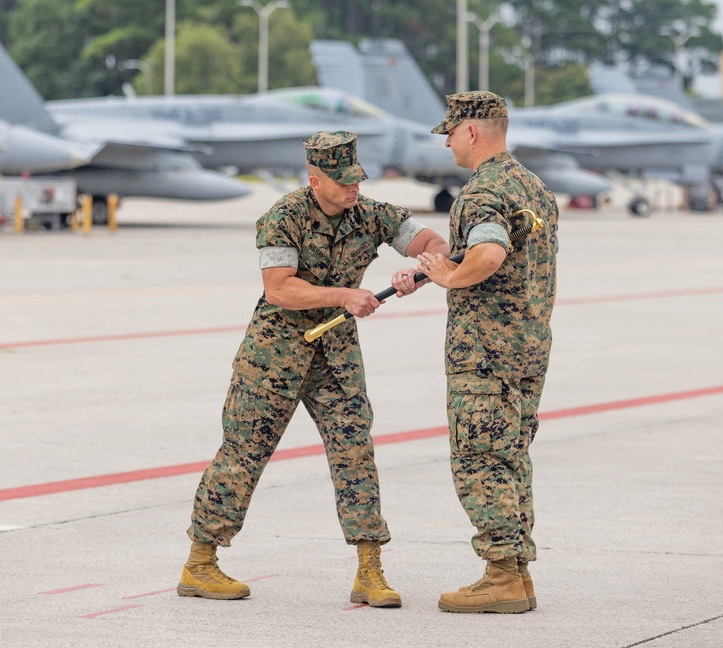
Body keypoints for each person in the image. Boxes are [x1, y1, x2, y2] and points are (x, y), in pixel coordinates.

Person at [179, 131, 451, 607]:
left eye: (357, 179)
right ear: (315, 179)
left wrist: (423, 268)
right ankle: (200, 563)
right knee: (243, 454)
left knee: (355, 453)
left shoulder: (370, 214)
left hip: (336, 359)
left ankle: (370, 571)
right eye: (343, 182)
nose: (354, 190)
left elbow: (428, 239)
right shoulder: (282, 218)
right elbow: (279, 289)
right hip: (273, 356)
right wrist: (343, 295)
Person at [393, 91, 559, 613]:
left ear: (471, 133)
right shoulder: (533, 187)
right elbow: (498, 255)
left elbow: (489, 253)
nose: (445, 141)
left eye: (450, 132)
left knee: (478, 460)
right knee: (510, 458)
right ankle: (518, 573)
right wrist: (430, 271)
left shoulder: (482, 192)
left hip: (484, 353)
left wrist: (450, 277)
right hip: (528, 347)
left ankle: (501, 576)